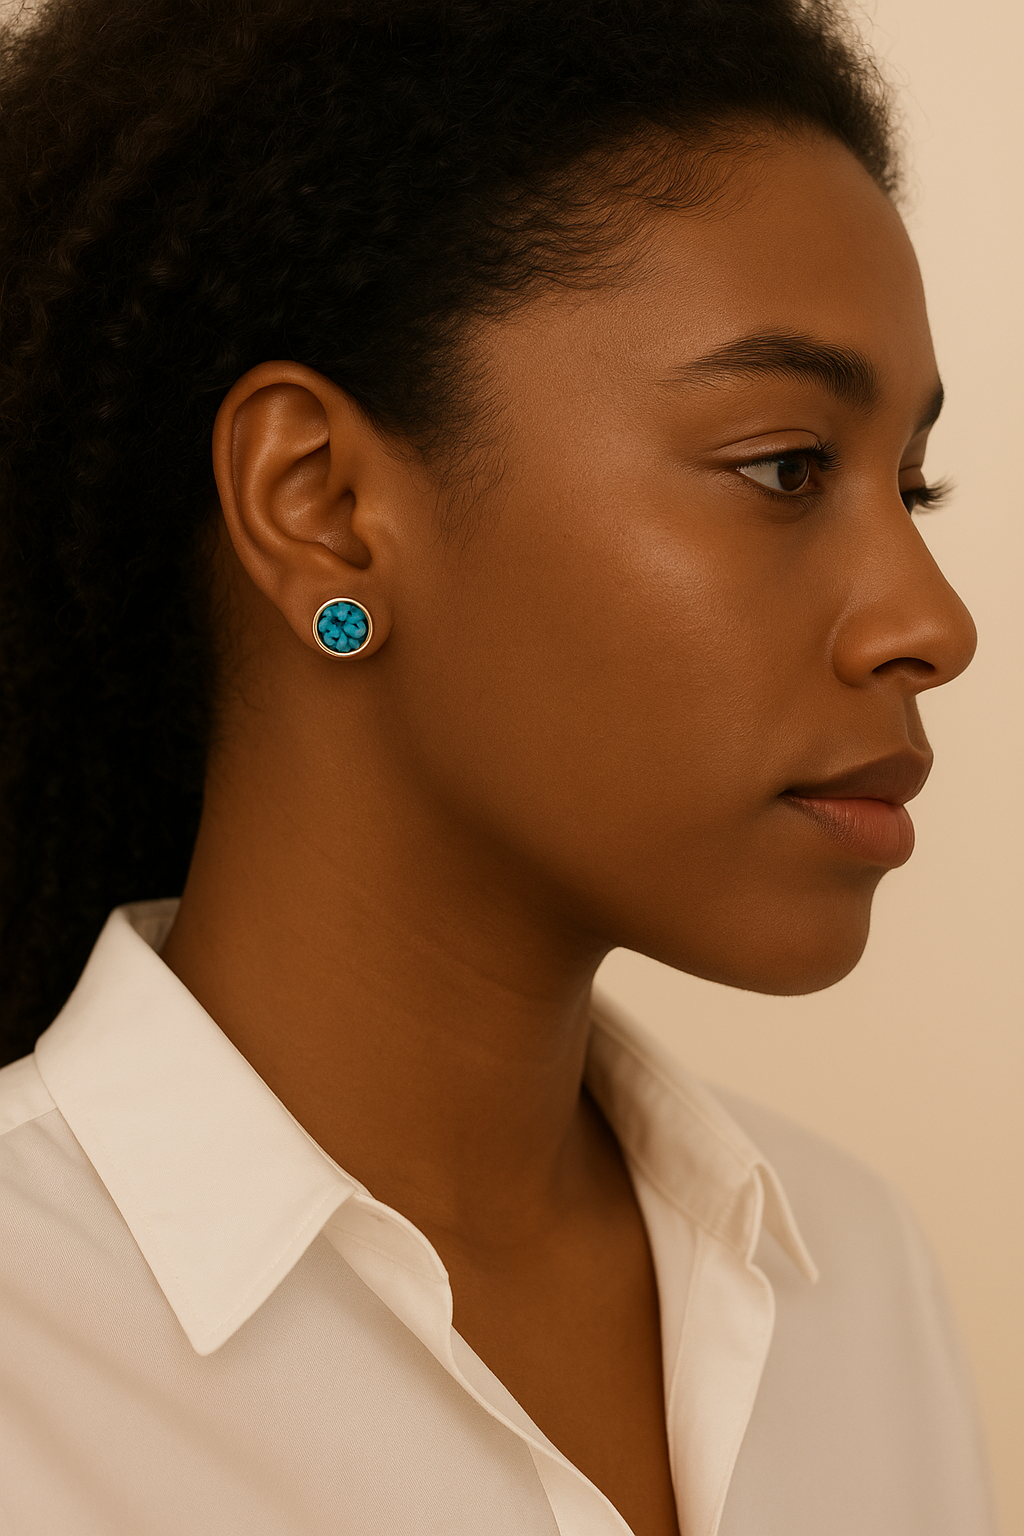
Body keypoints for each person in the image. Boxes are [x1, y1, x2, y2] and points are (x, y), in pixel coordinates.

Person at [0, 1, 997, 1532]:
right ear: (324, 508)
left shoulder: (850, 1281)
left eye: (910, 487)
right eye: (785, 468)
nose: (932, 622)